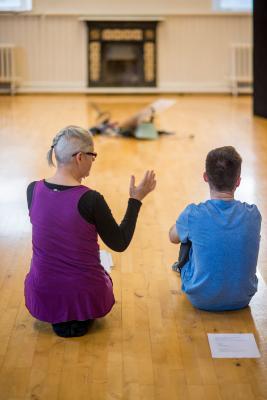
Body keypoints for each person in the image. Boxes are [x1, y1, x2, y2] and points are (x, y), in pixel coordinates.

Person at [24, 125, 156, 337]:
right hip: (85, 299)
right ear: (79, 157)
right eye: (92, 156)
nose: (93, 161)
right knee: (103, 273)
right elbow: (119, 243)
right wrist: (135, 200)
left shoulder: (33, 190)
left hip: (43, 296)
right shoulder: (90, 199)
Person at [169, 146, 261, 311]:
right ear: (238, 181)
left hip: (200, 298)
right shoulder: (253, 214)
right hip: (243, 298)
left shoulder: (193, 213)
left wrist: (184, 225)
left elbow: (172, 237)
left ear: (205, 177)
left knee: (187, 238)